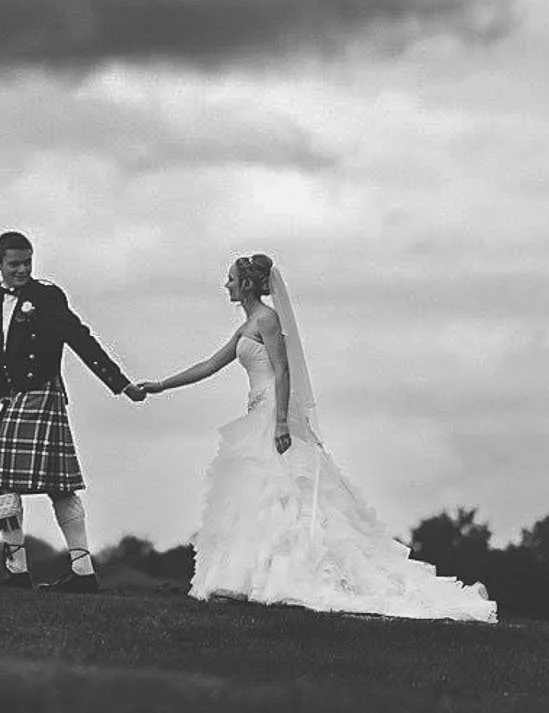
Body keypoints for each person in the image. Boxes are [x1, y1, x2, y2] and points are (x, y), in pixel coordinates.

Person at [133, 253, 496, 622]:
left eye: (229, 278)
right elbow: (210, 365)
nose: (224, 284)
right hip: (256, 413)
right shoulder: (246, 327)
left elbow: (283, 371)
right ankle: (247, 579)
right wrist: (159, 386)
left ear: (245, 283)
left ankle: (281, 578)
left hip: (270, 413)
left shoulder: (267, 320)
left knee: (283, 496)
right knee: (256, 499)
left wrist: (279, 424)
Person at [0, 230, 146, 593]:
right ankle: (24, 569)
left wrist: (120, 383)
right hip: (12, 397)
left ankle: (73, 571)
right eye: (14, 264)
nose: (21, 270)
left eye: (27, 263)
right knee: (5, 484)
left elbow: (81, 338)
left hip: (41, 392)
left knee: (54, 486)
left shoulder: (47, 297)